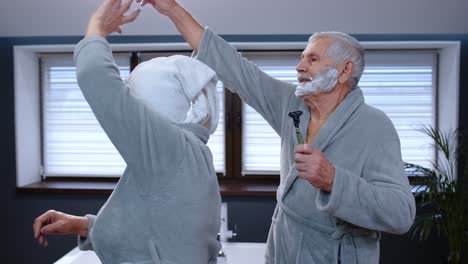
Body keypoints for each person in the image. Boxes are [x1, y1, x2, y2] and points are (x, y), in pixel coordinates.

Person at [139, 0, 417, 263]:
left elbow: (401, 213)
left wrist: (333, 180)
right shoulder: (291, 105)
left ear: (344, 71)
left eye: (312, 59)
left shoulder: (374, 126)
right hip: (284, 248)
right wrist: (172, 8)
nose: (299, 67)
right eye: (301, 58)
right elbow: (235, 69)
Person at [32, 0, 222, 263]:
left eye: (133, 97)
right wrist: (80, 225)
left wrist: (96, 27)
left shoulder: (166, 148)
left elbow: (94, 76)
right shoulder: (191, 153)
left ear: (149, 104)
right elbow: (153, 233)